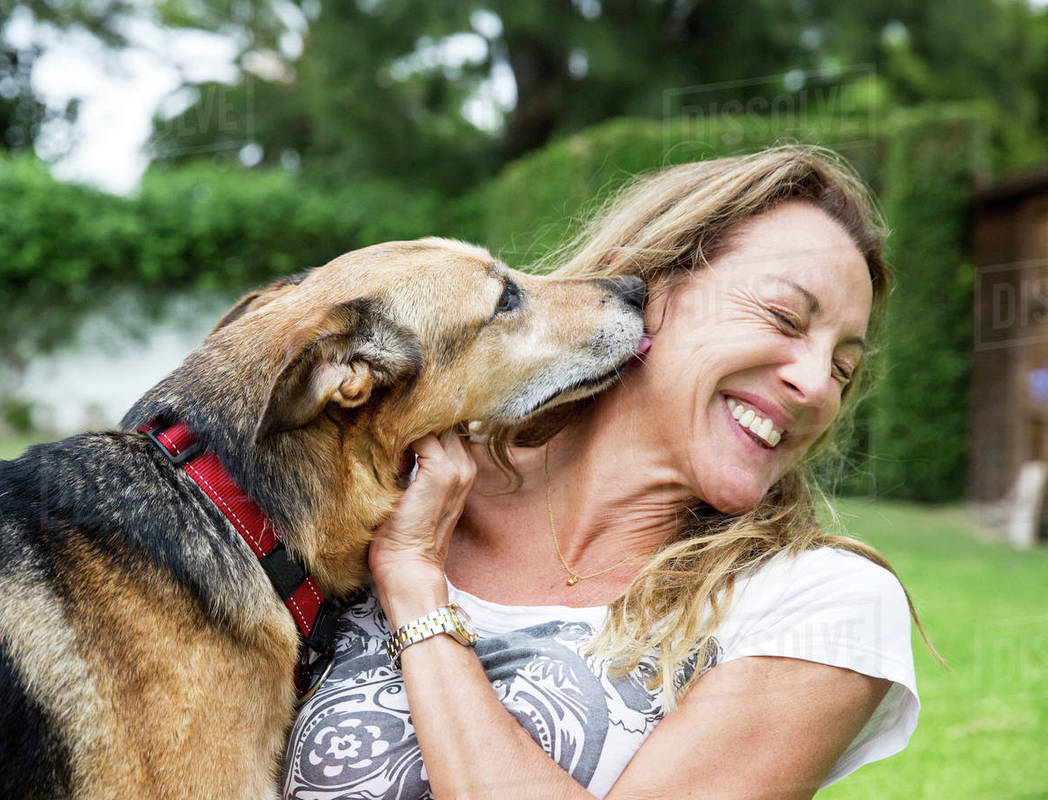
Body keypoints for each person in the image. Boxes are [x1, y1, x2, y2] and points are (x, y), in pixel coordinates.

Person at [282, 145, 931, 799]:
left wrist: (417, 585)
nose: (818, 386)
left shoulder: (819, 603)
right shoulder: (385, 480)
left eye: (843, 369)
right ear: (646, 289)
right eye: (785, 318)